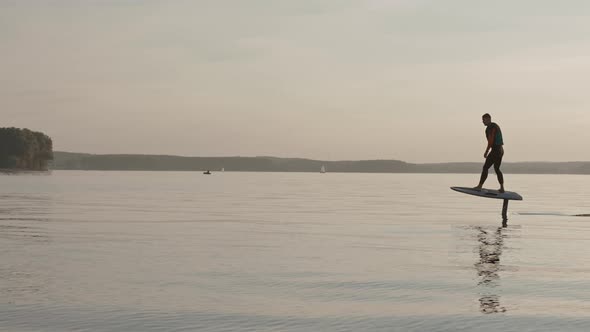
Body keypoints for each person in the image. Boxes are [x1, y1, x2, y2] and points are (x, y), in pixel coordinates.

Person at [474, 113, 505, 193]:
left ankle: (479, 186)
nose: (483, 122)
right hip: (500, 150)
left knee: (485, 168)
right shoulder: (495, 125)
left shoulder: (491, 127)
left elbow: (491, 140)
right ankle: (502, 188)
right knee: (497, 169)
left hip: (495, 150)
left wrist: (486, 151)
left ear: (488, 119)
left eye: (483, 120)